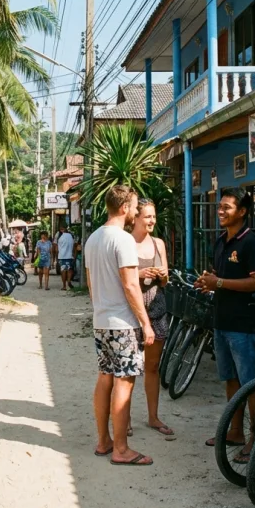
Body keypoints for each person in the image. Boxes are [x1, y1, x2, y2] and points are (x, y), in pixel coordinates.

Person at [195, 188, 255, 462]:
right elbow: (221, 277)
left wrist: (220, 283)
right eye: (220, 207)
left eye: (227, 207)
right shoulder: (220, 242)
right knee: (231, 379)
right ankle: (235, 431)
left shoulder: (252, 244)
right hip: (222, 321)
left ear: (242, 212)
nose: (221, 211)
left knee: (251, 382)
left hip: (244, 324)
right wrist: (209, 281)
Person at [86, 185, 156, 467]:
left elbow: (92, 285)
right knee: (124, 383)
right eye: (136, 206)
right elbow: (130, 284)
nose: (138, 212)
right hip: (123, 324)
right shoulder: (123, 240)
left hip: (101, 320)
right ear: (125, 207)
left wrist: (102, 309)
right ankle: (122, 449)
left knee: (105, 378)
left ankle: (104, 441)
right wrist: (146, 323)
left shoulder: (93, 238)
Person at [131, 199, 174, 439]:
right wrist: (139, 273)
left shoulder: (158, 244)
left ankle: (153, 416)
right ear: (135, 217)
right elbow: (121, 278)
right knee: (128, 369)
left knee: (153, 366)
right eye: (147, 216)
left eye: (153, 216)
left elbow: (165, 281)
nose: (151, 221)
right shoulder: (125, 242)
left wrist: (163, 275)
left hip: (157, 309)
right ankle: (124, 418)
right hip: (133, 312)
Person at [57, 224, 76, 290]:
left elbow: (57, 248)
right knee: (70, 270)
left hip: (62, 256)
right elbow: (74, 246)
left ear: (62, 229)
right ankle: (69, 280)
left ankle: (64, 286)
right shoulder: (71, 236)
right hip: (70, 256)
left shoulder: (60, 237)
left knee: (63, 271)